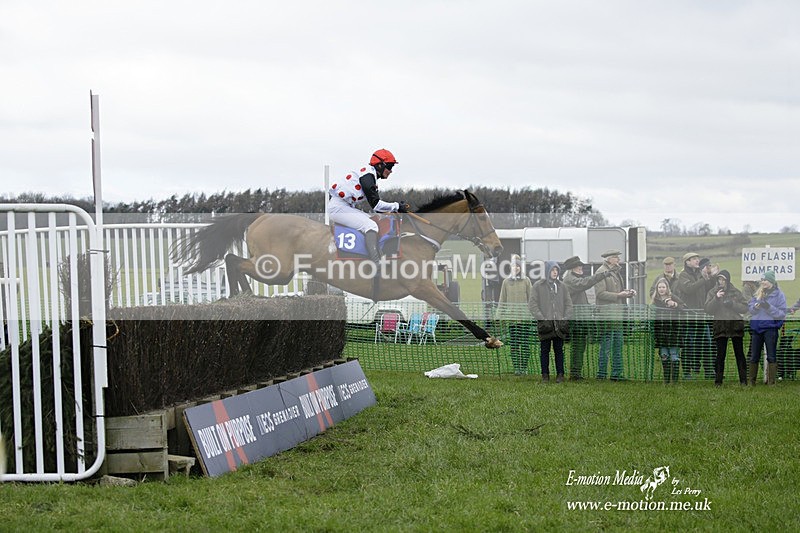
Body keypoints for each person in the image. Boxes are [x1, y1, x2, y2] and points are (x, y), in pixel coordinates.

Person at [327, 149, 408, 298]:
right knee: (370, 226)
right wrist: (396, 206)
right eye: (389, 167)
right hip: (338, 208)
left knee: (372, 222)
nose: (390, 171)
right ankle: (376, 263)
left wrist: (395, 209)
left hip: (343, 206)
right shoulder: (368, 177)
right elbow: (376, 205)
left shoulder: (370, 176)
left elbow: (377, 209)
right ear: (380, 165)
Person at [561, 255, 610, 380]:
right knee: (577, 346)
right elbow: (586, 283)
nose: (581, 267)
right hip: (575, 320)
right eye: (578, 266)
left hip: (580, 318)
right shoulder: (570, 280)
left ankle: (576, 373)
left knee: (579, 346)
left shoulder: (573, 278)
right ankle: (575, 374)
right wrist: (602, 275)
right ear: (572, 268)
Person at [528, 261, 573, 383]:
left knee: (559, 351)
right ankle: (545, 375)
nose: (555, 272)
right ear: (547, 271)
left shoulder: (562, 286)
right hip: (545, 326)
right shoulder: (538, 286)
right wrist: (542, 318)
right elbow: (532, 305)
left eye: (556, 270)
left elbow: (569, 304)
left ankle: (560, 375)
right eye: (553, 270)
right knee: (544, 351)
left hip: (559, 325)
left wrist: (565, 318)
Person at [594, 249, 635, 381]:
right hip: (607, 316)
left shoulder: (615, 272)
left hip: (618, 316)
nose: (618, 259)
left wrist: (627, 292)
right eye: (615, 257)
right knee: (606, 347)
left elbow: (617, 291)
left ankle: (617, 374)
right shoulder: (601, 272)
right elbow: (600, 293)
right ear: (608, 259)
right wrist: (619, 295)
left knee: (618, 347)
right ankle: (601, 374)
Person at [675, 252, 716, 380]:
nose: (697, 261)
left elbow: (709, 287)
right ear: (687, 262)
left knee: (706, 343)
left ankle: (709, 371)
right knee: (688, 344)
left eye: (697, 258)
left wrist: (712, 277)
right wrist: (703, 279)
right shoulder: (683, 275)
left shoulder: (700, 273)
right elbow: (689, 289)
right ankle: (687, 372)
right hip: (688, 316)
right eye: (693, 259)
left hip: (701, 315)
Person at [704, 270, 749, 386]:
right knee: (720, 355)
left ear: (728, 280)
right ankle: (718, 382)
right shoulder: (712, 292)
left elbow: (745, 308)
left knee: (739, 354)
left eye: (723, 279)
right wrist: (716, 299)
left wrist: (733, 304)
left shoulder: (736, 292)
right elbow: (708, 309)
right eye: (719, 279)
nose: (721, 282)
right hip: (721, 326)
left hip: (735, 326)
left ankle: (743, 380)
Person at [747, 270, 787, 385]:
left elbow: (781, 313)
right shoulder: (758, 293)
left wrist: (768, 307)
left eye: (765, 280)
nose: (762, 282)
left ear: (771, 281)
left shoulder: (779, 295)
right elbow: (750, 308)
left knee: (771, 355)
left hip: (770, 328)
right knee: (754, 356)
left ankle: (771, 382)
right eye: (762, 280)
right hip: (757, 328)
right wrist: (756, 307)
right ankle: (751, 382)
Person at [497, 255, 533, 375]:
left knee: (525, 345)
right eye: (514, 266)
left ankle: (524, 367)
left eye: (518, 266)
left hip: (524, 320)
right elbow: (502, 300)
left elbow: (531, 299)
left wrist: (534, 314)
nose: (516, 268)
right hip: (512, 320)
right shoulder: (506, 282)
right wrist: (498, 316)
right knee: (514, 345)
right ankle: (517, 367)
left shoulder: (526, 281)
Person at [651, 277, 687, 384]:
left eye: (663, 287)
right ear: (657, 289)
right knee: (664, 355)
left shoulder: (673, 297)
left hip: (673, 331)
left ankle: (674, 381)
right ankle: (666, 380)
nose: (661, 289)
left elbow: (684, 307)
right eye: (659, 287)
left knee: (674, 355)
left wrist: (675, 305)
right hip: (661, 332)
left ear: (667, 288)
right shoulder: (655, 301)